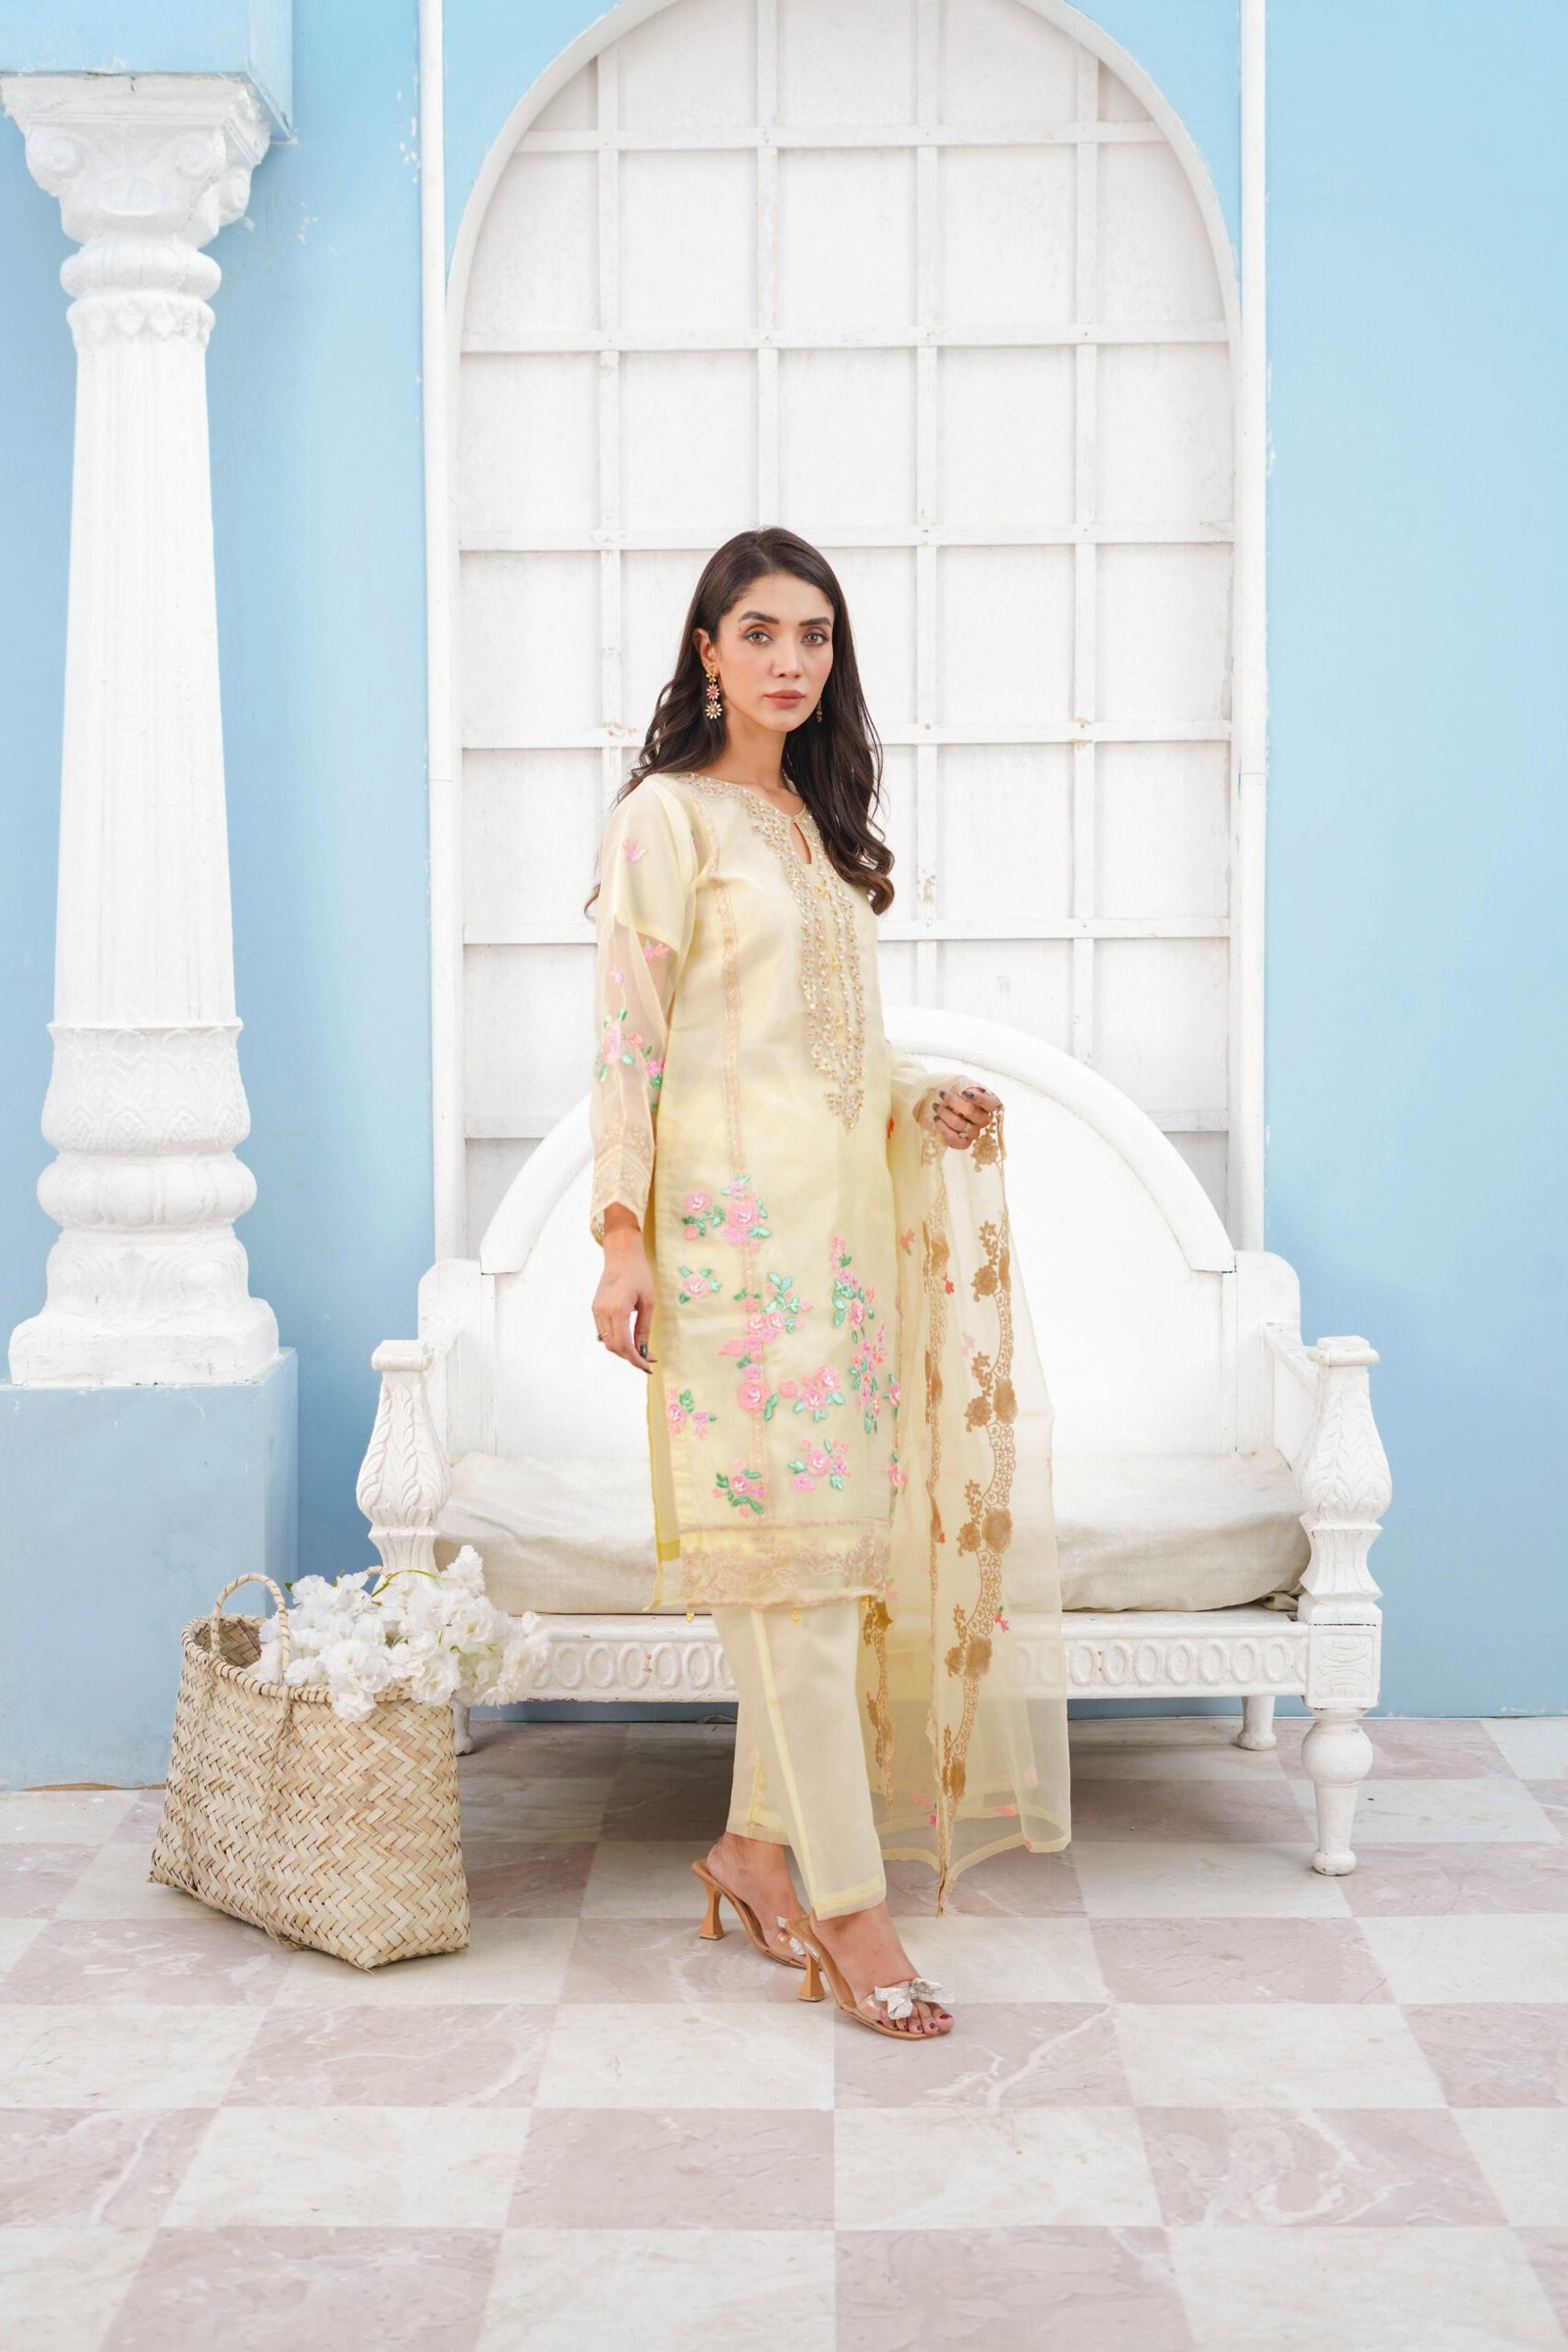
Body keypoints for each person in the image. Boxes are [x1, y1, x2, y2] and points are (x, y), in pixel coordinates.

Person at [586, 527, 1070, 2041]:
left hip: (842, 1259)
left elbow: (824, 1051)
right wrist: (619, 1234)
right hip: (730, 1257)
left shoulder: (810, 824)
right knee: (786, 1589)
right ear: (706, 651)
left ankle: (750, 1853)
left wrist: (922, 1097)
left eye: (814, 635)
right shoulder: (666, 819)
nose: (790, 659)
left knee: (817, 1581)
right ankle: (852, 1914)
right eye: (759, 631)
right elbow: (628, 1042)